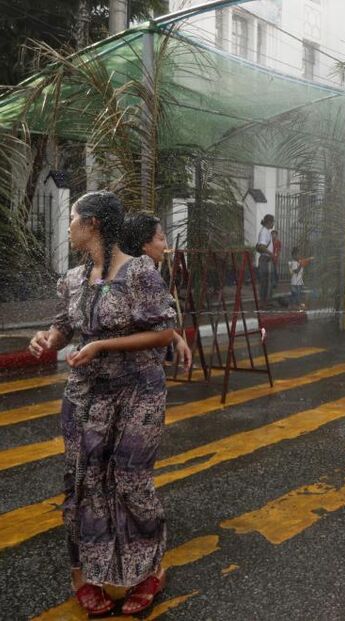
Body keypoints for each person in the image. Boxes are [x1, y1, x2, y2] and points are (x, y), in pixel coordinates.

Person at [28, 192, 177, 616]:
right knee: (83, 481)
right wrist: (47, 339)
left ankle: (149, 571)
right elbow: (63, 325)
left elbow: (164, 331)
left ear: (92, 223)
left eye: (73, 218)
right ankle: (83, 575)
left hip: (139, 392)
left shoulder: (139, 272)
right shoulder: (75, 278)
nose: (69, 226)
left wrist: (101, 345)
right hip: (85, 395)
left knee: (130, 481)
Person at [120, 212, 192, 372]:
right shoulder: (145, 276)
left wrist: (177, 339)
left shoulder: (121, 271)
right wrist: (99, 346)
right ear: (144, 244)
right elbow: (159, 331)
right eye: (161, 239)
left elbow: (151, 319)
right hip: (138, 372)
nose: (165, 246)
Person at [255, 214, 275, 305]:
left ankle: (266, 301)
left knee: (267, 281)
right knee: (265, 282)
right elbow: (262, 247)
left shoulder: (266, 231)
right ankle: (263, 302)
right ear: (269, 222)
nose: (273, 224)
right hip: (265, 259)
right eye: (273, 222)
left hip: (266, 259)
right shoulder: (264, 232)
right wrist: (271, 254)